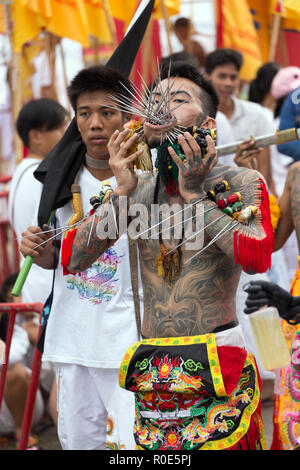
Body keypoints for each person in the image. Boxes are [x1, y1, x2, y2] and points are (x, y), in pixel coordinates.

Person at [66, 60, 274, 450]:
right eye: (154, 99)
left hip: (215, 360)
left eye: (177, 99)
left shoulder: (240, 181)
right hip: (152, 370)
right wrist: (123, 191)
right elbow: (75, 260)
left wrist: (195, 194)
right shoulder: (135, 189)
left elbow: (257, 256)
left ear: (208, 125)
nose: (160, 106)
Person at [19, 65, 144, 451]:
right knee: (76, 441)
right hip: (72, 336)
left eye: (107, 113)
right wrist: (38, 253)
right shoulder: (58, 180)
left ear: (128, 118)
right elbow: (58, 259)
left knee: (134, 445)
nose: (95, 124)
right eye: (85, 113)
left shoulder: (148, 178)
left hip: (130, 341)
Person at [8, 98, 69, 304]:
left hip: (35, 283)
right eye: (62, 128)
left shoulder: (23, 171)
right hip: (46, 285)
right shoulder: (40, 175)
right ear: (36, 136)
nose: (66, 135)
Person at [204, 48, 276, 194]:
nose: (228, 83)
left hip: (250, 195)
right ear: (207, 78)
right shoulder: (198, 117)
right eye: (222, 76)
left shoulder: (258, 115)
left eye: (233, 77)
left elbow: (265, 173)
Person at [0, 274, 50, 449]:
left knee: (14, 370)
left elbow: (10, 359)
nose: (19, 300)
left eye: (22, 292)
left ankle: (22, 431)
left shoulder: (19, 326)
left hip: (24, 401)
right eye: (14, 295)